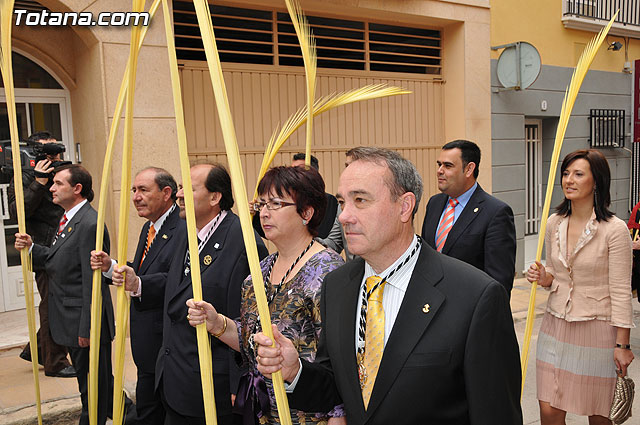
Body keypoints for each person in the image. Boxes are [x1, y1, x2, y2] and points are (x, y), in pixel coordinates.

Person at [254, 147, 523, 425]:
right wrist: (295, 370)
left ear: (404, 206)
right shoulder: (336, 286)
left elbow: (496, 414)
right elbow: (337, 388)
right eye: (342, 202)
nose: (344, 216)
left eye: (360, 200)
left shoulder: (475, 296)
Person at [187, 165, 346, 425]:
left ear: (306, 212)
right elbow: (251, 338)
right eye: (262, 204)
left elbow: (340, 361)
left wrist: (338, 417)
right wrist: (217, 324)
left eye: (275, 204)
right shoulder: (259, 272)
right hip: (262, 411)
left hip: (310, 413)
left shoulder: (327, 273)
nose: (264, 213)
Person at [113, 163, 267, 425]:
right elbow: (176, 290)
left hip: (213, 388)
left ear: (215, 197)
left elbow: (249, 318)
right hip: (176, 380)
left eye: (189, 188)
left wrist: (237, 382)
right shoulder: (187, 234)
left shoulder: (242, 243)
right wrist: (138, 283)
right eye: (180, 187)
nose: (179, 194)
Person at [526, 149, 635, 424]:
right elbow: (554, 273)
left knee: (598, 415)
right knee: (549, 410)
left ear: (596, 181)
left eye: (578, 174)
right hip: (555, 326)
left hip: (597, 329)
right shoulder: (554, 222)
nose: (568, 180)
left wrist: (622, 344)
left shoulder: (615, 229)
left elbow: (622, 291)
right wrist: (543, 275)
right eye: (565, 173)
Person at [14, 164, 116, 425]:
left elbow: (91, 282)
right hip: (69, 320)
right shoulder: (69, 220)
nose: (51, 189)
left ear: (77, 189)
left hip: (83, 324)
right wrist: (31, 248)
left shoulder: (89, 224)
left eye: (58, 183)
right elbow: (57, 260)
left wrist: (87, 328)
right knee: (96, 385)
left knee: (93, 389)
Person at [90, 167, 180, 424]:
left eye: (143, 190)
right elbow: (144, 268)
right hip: (147, 346)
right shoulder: (148, 227)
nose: (135, 197)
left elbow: (178, 280)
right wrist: (112, 266)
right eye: (133, 190)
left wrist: (138, 282)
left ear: (166, 193)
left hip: (166, 344)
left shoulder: (183, 228)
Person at [8, 131, 76, 378]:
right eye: (46, 153)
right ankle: (55, 362)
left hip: (65, 246)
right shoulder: (25, 175)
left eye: (56, 152)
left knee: (57, 303)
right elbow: (18, 213)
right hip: (43, 250)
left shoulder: (64, 173)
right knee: (52, 306)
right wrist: (39, 182)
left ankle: (37, 349)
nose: (53, 157)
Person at [421, 139, 517, 296]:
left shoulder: (496, 213)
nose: (439, 170)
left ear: (469, 169)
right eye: (439, 164)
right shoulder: (434, 204)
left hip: (468, 311)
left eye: (448, 165)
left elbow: (499, 282)